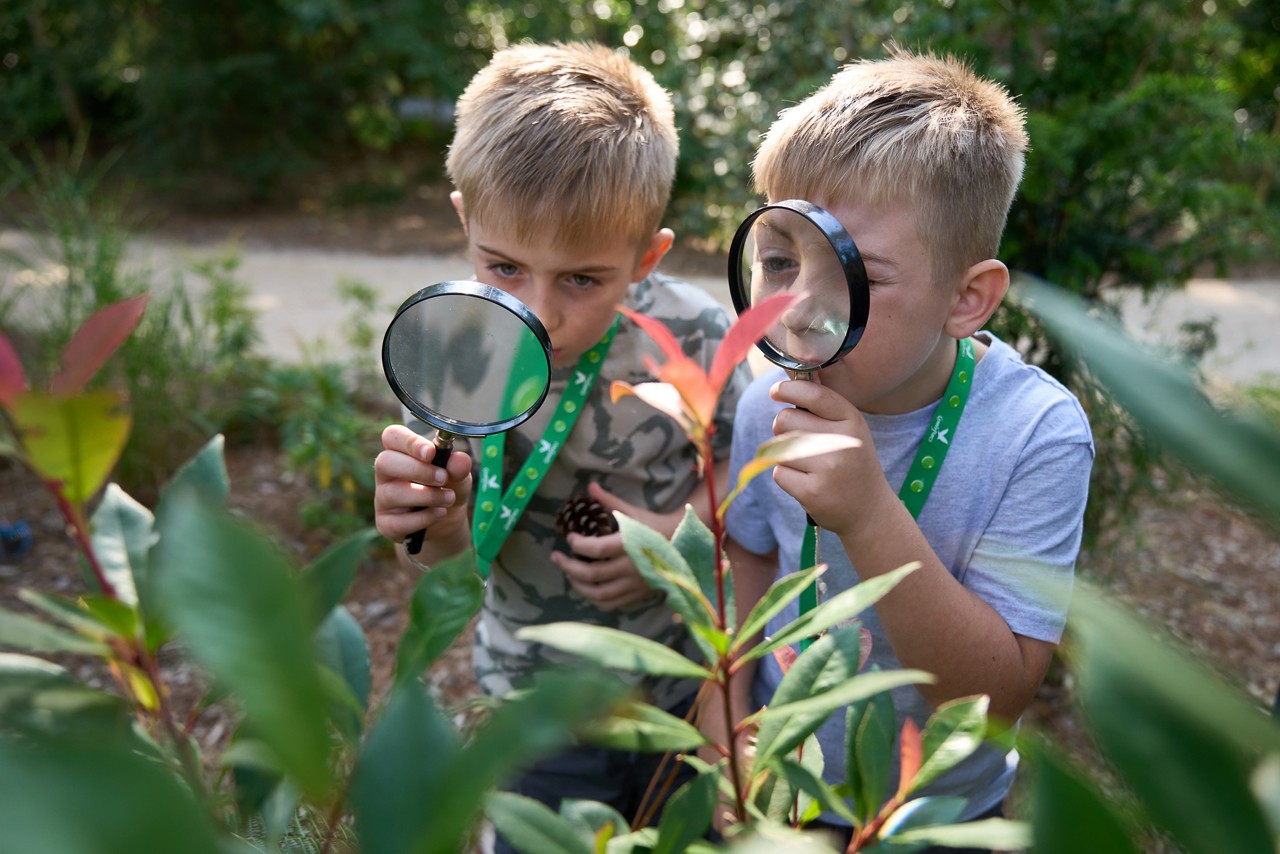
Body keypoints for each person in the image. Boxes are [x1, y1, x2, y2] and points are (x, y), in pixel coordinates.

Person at [709, 48, 1095, 849]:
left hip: (936, 814)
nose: (802, 310)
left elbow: (996, 701)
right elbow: (749, 558)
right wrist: (726, 730)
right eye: (780, 261)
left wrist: (870, 514)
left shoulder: (1035, 435)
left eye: (859, 274)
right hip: (781, 789)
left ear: (966, 299)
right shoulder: (766, 403)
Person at [372, 41, 751, 844]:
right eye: (503, 266)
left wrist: (673, 540)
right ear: (466, 223)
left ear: (647, 256)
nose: (540, 311)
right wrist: (427, 519)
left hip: (676, 694)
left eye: (582, 279)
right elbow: (448, 549)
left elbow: (746, 481)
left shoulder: (689, 333)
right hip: (532, 708)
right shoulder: (456, 344)